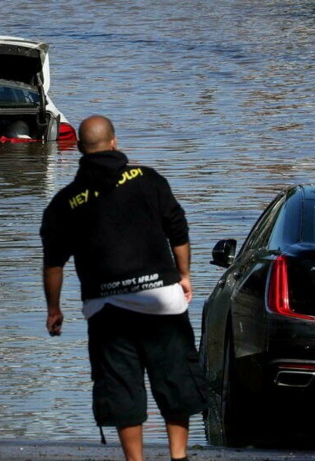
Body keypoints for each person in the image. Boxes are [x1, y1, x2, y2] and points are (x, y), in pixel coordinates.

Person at [40, 116, 206, 461]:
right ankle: (179, 456)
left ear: (80, 148)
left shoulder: (64, 202)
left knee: (121, 387)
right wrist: (184, 275)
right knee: (175, 379)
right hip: (162, 301)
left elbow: (54, 263)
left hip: (107, 310)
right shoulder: (148, 179)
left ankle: (135, 460)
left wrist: (54, 309)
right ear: (114, 142)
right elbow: (178, 230)